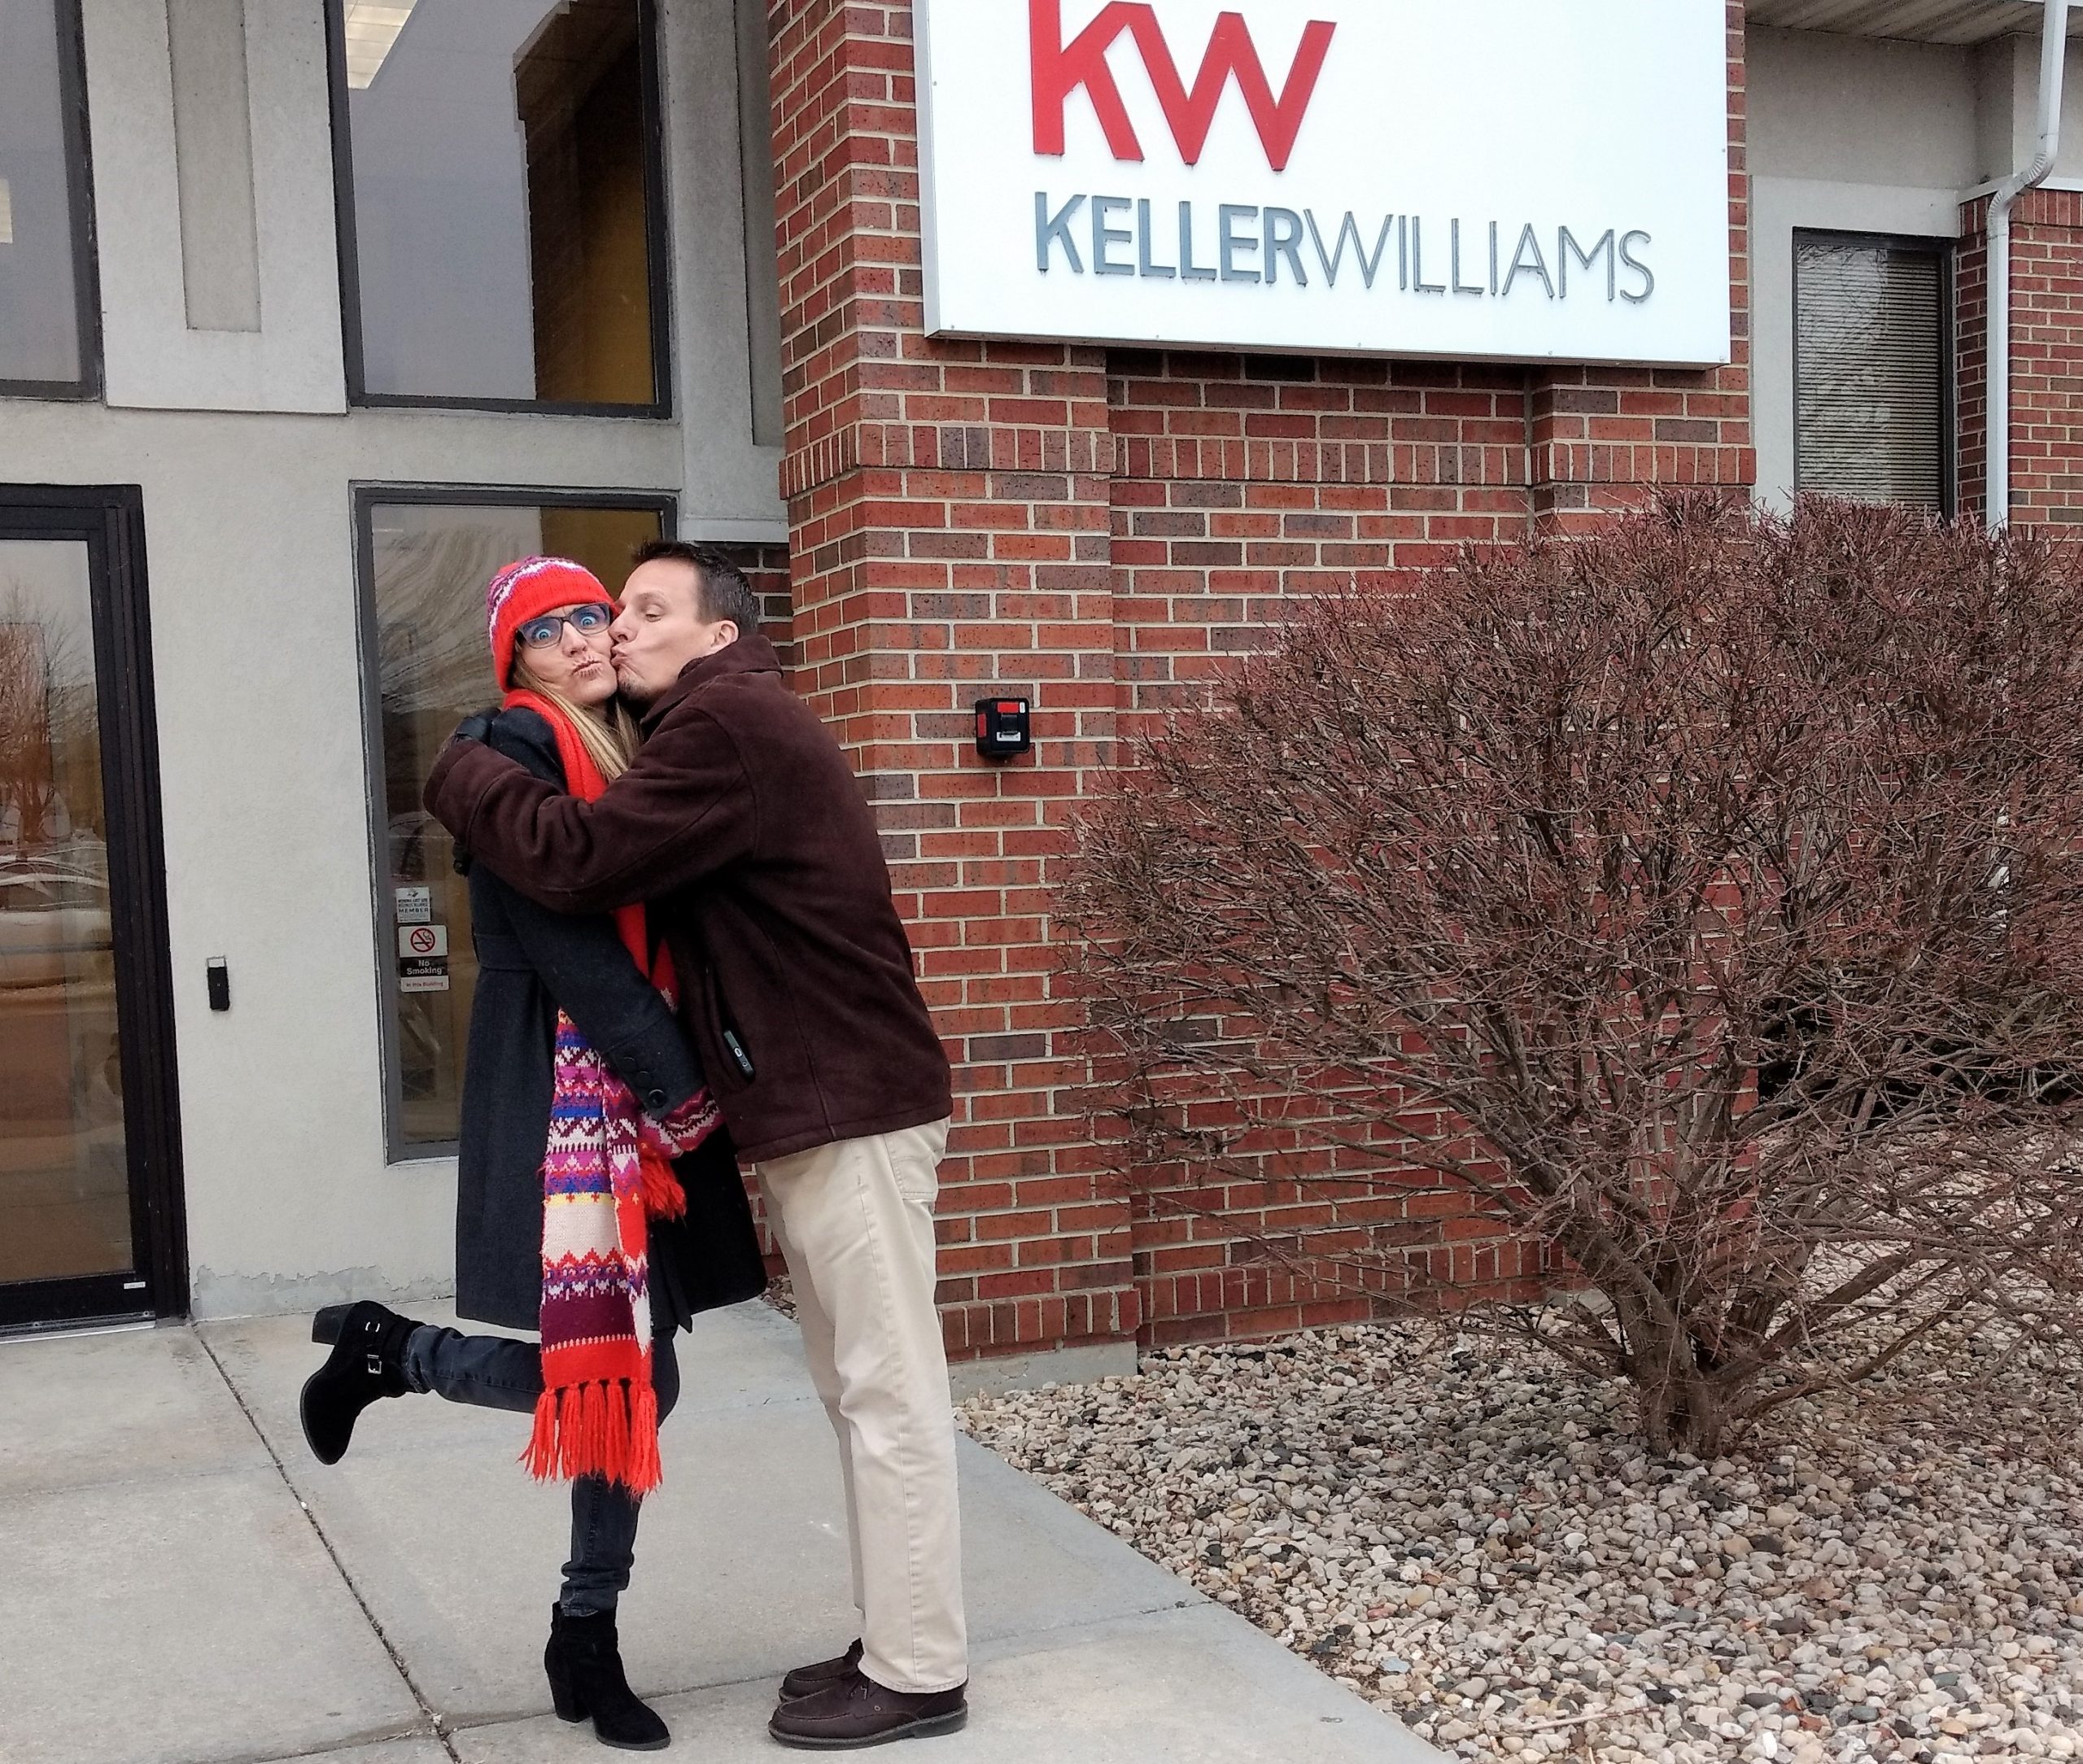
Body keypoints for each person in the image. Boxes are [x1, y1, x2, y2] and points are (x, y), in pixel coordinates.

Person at [421, 541, 967, 1751]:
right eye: (594, 615)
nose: (612, 632)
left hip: (849, 1111)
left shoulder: (724, 731)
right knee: (855, 1391)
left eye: (640, 610)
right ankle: (896, 1642)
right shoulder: (695, 735)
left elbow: (579, 859)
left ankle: (921, 1669)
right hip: (823, 1109)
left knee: (887, 1395)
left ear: (720, 635)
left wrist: (457, 771)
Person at [300, 556, 766, 1753]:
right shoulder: (510, 752)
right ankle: (576, 1620)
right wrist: (679, 1089)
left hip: (623, 1088)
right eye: (550, 626)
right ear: (516, 656)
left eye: (594, 614)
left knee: (631, 1379)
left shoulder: (630, 745)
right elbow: (573, 946)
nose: (586, 636)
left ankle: (401, 1363)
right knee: (628, 1381)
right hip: (577, 1092)